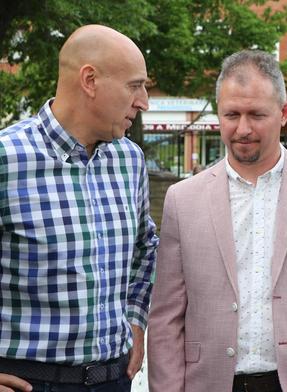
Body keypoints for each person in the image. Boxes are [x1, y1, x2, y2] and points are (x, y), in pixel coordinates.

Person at [147, 50, 287, 392]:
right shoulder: (183, 199)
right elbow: (165, 317)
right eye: (231, 114)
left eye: (256, 114)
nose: (243, 128)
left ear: (284, 113)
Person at [0, 25, 159, 392]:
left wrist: (135, 318)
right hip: (28, 381)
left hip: (113, 380)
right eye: (135, 86)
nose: (144, 102)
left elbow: (146, 247)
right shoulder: (7, 159)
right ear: (90, 80)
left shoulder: (129, 159)